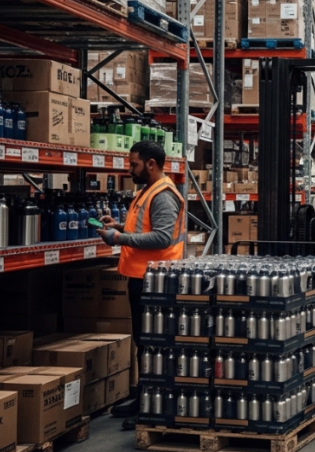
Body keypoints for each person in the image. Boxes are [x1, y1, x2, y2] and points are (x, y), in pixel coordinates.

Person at [97, 140, 186, 430]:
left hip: (156, 280)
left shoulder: (163, 194)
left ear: (151, 164)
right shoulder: (146, 190)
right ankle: (143, 397)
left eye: (133, 164)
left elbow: (161, 237)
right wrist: (119, 227)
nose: (129, 168)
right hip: (141, 277)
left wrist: (119, 239)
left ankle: (152, 407)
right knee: (143, 343)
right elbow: (142, 229)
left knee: (153, 344)